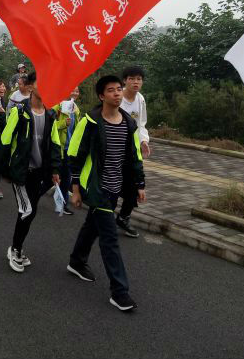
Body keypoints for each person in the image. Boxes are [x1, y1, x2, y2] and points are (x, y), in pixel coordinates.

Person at [66, 75, 146, 312]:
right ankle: (119, 292)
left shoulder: (128, 124)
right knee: (110, 238)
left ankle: (76, 261)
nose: (117, 93)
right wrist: (76, 189)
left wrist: (140, 184)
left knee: (92, 225)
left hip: (116, 186)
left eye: (119, 89)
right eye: (111, 90)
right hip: (97, 186)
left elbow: (134, 156)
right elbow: (75, 154)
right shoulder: (90, 121)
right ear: (102, 96)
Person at [0, 74, 62, 272]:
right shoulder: (20, 112)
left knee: (30, 211)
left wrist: (54, 169)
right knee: (28, 210)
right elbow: (5, 140)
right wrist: (6, 170)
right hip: (21, 171)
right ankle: (15, 249)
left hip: (38, 172)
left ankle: (17, 248)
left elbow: (54, 144)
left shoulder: (50, 114)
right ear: (30, 87)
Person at [116, 66, 150, 238]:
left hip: (132, 150)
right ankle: (103, 219)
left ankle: (123, 218)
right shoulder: (117, 98)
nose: (136, 82)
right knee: (113, 186)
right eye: (132, 78)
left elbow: (141, 123)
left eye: (139, 79)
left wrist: (144, 140)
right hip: (115, 150)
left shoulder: (140, 99)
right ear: (125, 81)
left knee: (135, 186)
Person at [52, 85, 81, 215]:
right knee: (51, 179)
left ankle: (64, 205)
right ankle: (34, 196)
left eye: (77, 91)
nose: (75, 92)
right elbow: (50, 126)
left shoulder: (75, 109)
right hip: (59, 149)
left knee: (67, 178)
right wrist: (63, 124)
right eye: (72, 89)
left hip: (70, 149)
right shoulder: (57, 106)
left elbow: (76, 128)